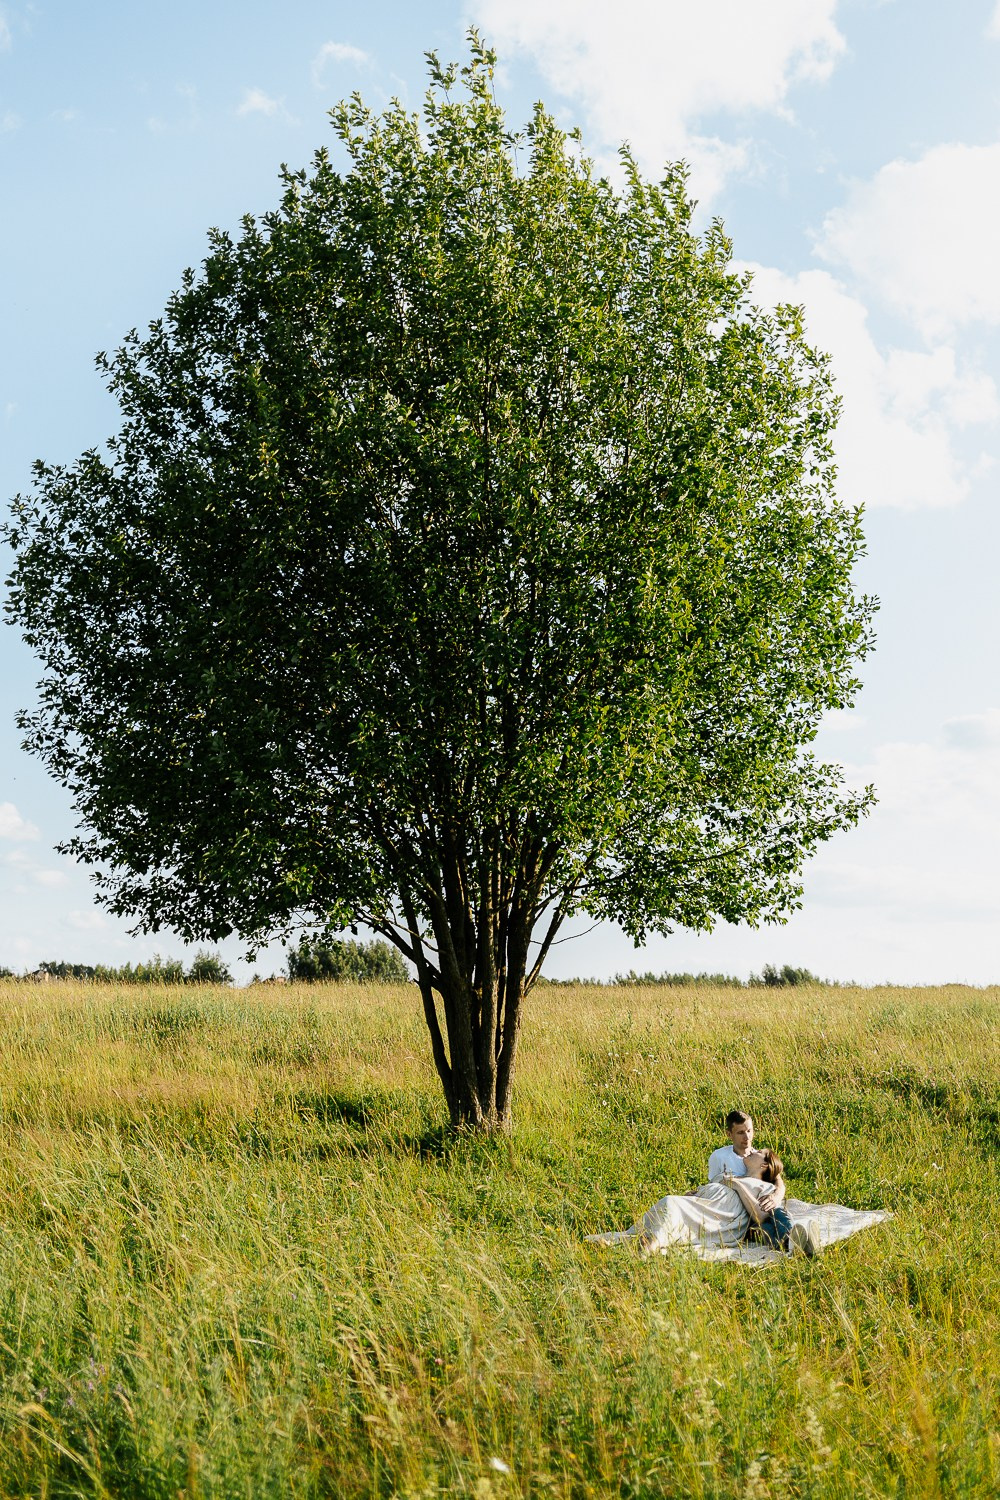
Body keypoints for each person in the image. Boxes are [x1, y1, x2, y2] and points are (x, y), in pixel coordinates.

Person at [635, 1146, 786, 1256]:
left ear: (764, 1164)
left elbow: (760, 1216)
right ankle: (650, 1241)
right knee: (669, 1203)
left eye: (759, 1152)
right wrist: (697, 1193)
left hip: (721, 1218)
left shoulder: (764, 1187)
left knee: (671, 1203)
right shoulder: (735, 1174)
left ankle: (648, 1248)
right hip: (702, 1206)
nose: (753, 1151)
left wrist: (737, 1186)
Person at [710, 1109, 819, 1257]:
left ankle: (790, 1241)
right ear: (729, 1134)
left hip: (761, 1207)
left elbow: (778, 1181)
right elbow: (715, 1186)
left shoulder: (759, 1157)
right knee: (762, 1227)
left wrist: (775, 1197)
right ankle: (795, 1243)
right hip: (740, 1213)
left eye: (749, 1130)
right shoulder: (719, 1156)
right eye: (741, 1132)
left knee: (773, 1216)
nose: (747, 1137)